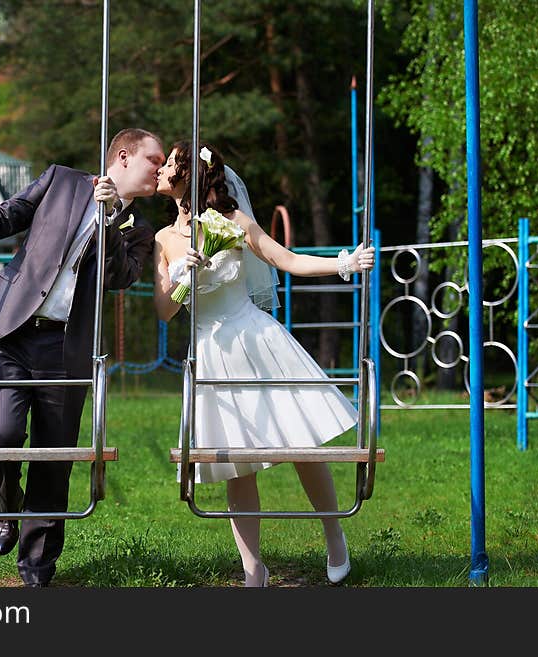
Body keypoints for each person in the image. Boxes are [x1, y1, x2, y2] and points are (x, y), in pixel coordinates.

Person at [0, 128, 166, 587]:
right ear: (124, 156)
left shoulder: (139, 230)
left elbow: (120, 277)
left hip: (64, 347)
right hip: (10, 329)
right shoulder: (62, 181)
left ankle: (36, 568)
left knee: (54, 460)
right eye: (155, 159)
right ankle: (8, 501)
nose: (162, 169)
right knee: (4, 434)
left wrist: (109, 221)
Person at [152, 140, 375, 587]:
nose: (159, 169)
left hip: (256, 339)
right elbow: (164, 311)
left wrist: (343, 263)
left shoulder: (232, 221)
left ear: (188, 174)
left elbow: (284, 259)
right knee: (237, 462)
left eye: (168, 162)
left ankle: (334, 535)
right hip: (213, 352)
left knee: (302, 444)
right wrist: (181, 277)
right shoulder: (164, 238)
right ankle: (253, 567)